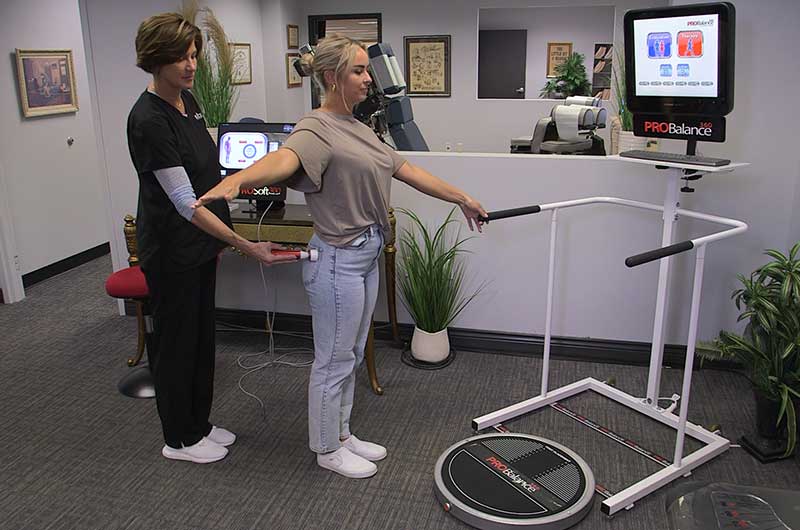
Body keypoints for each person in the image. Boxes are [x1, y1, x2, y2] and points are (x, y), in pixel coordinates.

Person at [194, 35, 488, 478]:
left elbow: (407, 170)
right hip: (337, 261)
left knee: (348, 352)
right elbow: (283, 160)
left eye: (367, 69)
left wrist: (460, 197)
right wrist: (239, 181)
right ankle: (326, 449)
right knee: (332, 360)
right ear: (332, 78)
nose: (369, 78)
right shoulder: (315, 128)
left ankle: (343, 433)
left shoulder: (359, 127)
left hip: (365, 253)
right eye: (359, 70)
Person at [126, 13, 296, 465]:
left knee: (202, 339)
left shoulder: (189, 102)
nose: (189, 65)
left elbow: (210, 169)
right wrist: (246, 245)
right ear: (154, 61)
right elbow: (186, 203)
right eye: (178, 58)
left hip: (201, 247)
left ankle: (198, 424)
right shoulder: (148, 120)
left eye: (193, 56)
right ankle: (178, 438)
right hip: (173, 250)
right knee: (177, 344)